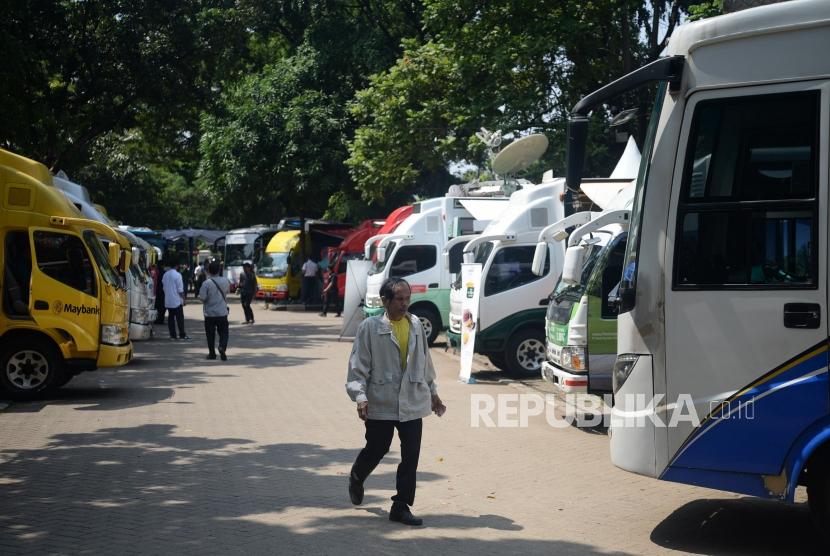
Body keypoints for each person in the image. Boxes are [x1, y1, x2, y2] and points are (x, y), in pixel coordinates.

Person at [345, 277, 446, 526]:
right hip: (381, 400)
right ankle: (358, 475)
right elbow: (358, 367)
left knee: (411, 455)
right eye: (399, 299)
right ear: (385, 301)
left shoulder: (415, 325)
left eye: (407, 299)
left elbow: (425, 362)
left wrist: (433, 392)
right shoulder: (369, 327)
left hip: (412, 400)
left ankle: (401, 506)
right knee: (377, 448)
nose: (404, 304)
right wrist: (360, 396)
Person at [199, 260, 230, 361]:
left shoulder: (206, 283)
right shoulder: (225, 281)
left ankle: (212, 354)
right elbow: (227, 292)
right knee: (224, 332)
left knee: (210, 335)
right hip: (222, 312)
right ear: (219, 270)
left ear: (208, 271)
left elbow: (202, 298)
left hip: (209, 314)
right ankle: (222, 346)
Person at [162, 264, 190, 340]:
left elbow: (164, 287)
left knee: (171, 318)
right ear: (177, 266)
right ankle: (182, 334)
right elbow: (180, 290)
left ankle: (172, 335)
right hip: (177, 300)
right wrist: (184, 299)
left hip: (168, 300)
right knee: (180, 318)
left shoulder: (165, 275)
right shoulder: (178, 275)